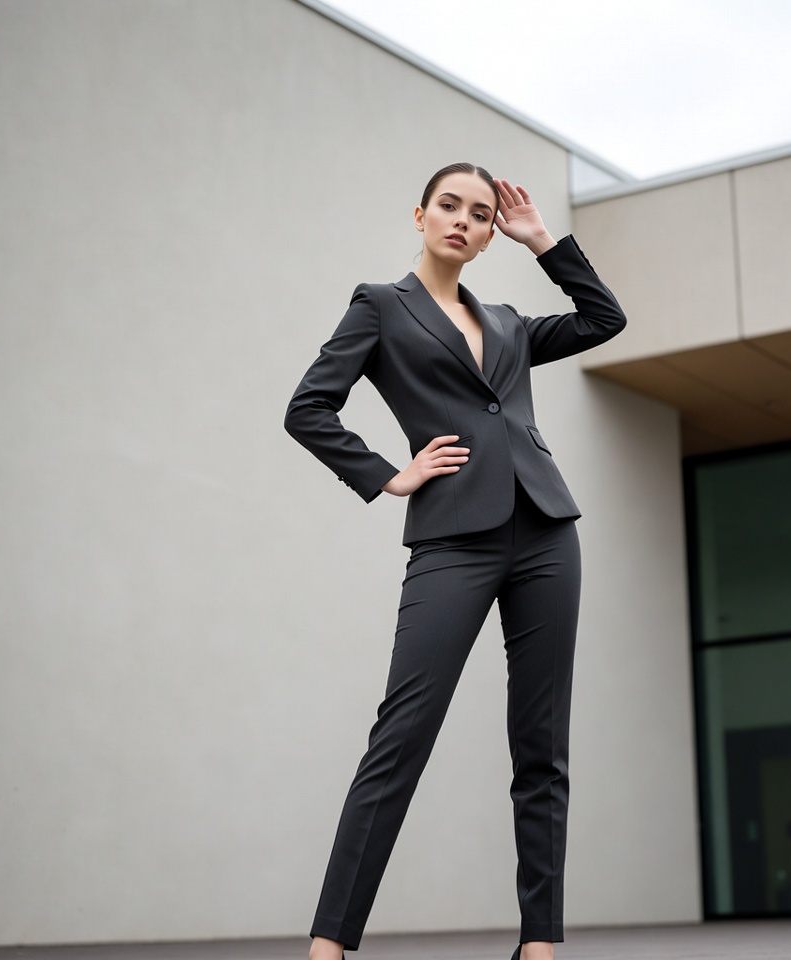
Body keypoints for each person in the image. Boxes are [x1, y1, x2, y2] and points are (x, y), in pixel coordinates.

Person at [284, 162, 627, 960]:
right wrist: (387, 474)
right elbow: (308, 407)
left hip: (547, 532)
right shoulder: (380, 305)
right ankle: (329, 945)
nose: (463, 221)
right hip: (453, 539)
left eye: (479, 213)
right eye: (449, 206)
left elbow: (603, 319)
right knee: (401, 734)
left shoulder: (507, 322)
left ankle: (539, 944)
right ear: (421, 215)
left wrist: (542, 240)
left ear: (486, 234)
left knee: (542, 746)